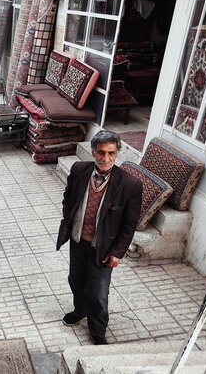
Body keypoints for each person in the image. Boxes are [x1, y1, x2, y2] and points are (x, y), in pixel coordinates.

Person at [56, 130, 142, 345]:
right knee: (76, 280)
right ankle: (80, 311)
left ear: (117, 153)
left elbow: (130, 224)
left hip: (103, 248)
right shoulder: (78, 170)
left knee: (98, 293)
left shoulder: (130, 184)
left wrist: (117, 252)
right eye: (101, 153)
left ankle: (97, 330)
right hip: (78, 241)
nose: (106, 159)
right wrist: (70, 219)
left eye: (111, 153)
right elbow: (68, 198)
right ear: (93, 152)